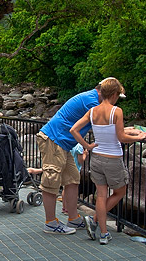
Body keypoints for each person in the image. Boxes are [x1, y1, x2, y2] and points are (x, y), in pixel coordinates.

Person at [70, 77, 146, 245]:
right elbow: (121, 137)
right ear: (113, 94)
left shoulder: (93, 111)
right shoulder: (116, 111)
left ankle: (103, 233)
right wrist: (139, 137)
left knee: (101, 196)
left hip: (96, 158)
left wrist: (87, 146)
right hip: (112, 159)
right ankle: (95, 220)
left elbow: (74, 129)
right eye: (118, 94)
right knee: (120, 192)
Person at [37, 83, 106, 235]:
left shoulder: (91, 98)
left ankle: (73, 217)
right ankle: (50, 223)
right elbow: (104, 125)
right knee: (51, 179)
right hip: (54, 140)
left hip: (64, 143)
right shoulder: (92, 101)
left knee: (73, 179)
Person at [27, 142, 88, 216]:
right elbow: (80, 160)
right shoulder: (79, 146)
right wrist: (85, 154)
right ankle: (71, 209)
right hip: (74, 170)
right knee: (72, 189)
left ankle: (65, 208)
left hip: (64, 169)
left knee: (65, 189)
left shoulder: (66, 143)